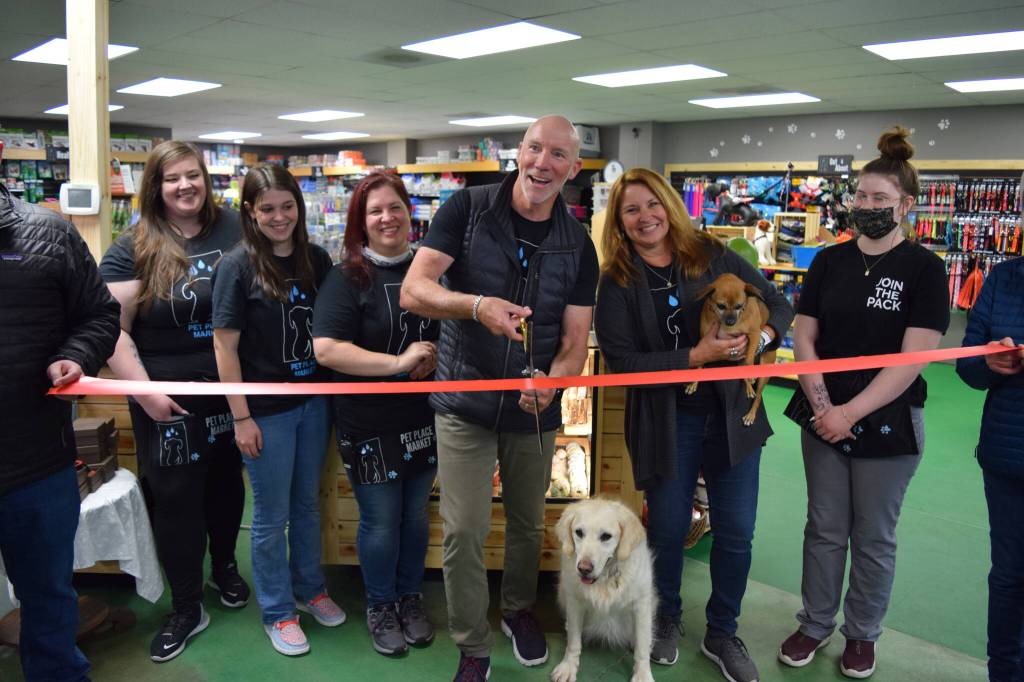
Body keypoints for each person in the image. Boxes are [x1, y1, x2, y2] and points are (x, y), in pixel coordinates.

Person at [400, 115, 599, 681]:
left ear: (573, 168)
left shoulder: (578, 245)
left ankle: (516, 609)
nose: (543, 163)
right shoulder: (466, 210)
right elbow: (416, 290)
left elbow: (575, 340)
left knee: (529, 521)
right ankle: (472, 643)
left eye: (557, 155)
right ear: (518, 151)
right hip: (464, 401)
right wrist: (475, 305)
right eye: (535, 148)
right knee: (464, 527)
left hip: (532, 411)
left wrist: (553, 381)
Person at [594, 167, 793, 682]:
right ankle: (665, 618)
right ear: (619, 220)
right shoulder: (616, 280)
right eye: (631, 209)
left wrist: (762, 341)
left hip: (733, 419)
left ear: (669, 205)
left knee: (737, 532)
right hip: (666, 421)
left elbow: (778, 303)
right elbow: (621, 362)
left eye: (652, 204)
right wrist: (694, 356)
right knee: (665, 529)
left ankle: (722, 631)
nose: (645, 217)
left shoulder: (710, 253)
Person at [777, 127, 949, 679]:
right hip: (821, 413)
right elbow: (804, 338)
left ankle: (862, 634)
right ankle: (815, 622)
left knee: (873, 534)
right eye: (862, 196)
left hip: (889, 421)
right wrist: (824, 406)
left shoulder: (925, 269)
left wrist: (848, 414)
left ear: (906, 205)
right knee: (824, 527)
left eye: (881, 199)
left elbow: (913, 357)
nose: (868, 207)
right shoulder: (829, 262)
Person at [99, 140, 249, 663]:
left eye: (193, 175)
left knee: (227, 488)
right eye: (172, 178)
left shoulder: (235, 228)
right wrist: (147, 394)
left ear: (205, 179)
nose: (185, 186)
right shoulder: (133, 245)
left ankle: (225, 568)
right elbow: (113, 331)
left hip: (231, 393)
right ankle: (186, 606)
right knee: (177, 500)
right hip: (168, 400)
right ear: (155, 188)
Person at [0, 140, 120, 682]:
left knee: (48, 599)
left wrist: (73, 357)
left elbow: (99, 314)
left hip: (35, 466)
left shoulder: (48, 233)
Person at [212, 164, 342, 657]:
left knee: (307, 503)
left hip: (315, 402)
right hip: (266, 410)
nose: (279, 216)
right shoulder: (237, 265)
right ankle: (277, 610)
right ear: (250, 212)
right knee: (270, 515)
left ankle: (310, 590)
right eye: (267, 208)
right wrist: (241, 417)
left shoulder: (317, 258)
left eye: (287, 206)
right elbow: (225, 348)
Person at [312, 171, 440, 656]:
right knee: (381, 521)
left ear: (410, 212)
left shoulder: (429, 273)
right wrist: (398, 363)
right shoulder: (347, 278)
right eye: (374, 211)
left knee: (414, 518)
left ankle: (410, 599)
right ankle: (381, 604)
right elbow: (326, 349)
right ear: (360, 224)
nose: (387, 218)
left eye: (395, 207)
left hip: (423, 419)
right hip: (368, 424)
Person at [955, 258, 1024, 681]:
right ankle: (1002, 672)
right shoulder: (1004, 277)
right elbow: (967, 362)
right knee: (1009, 576)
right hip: (1007, 455)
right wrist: (987, 363)